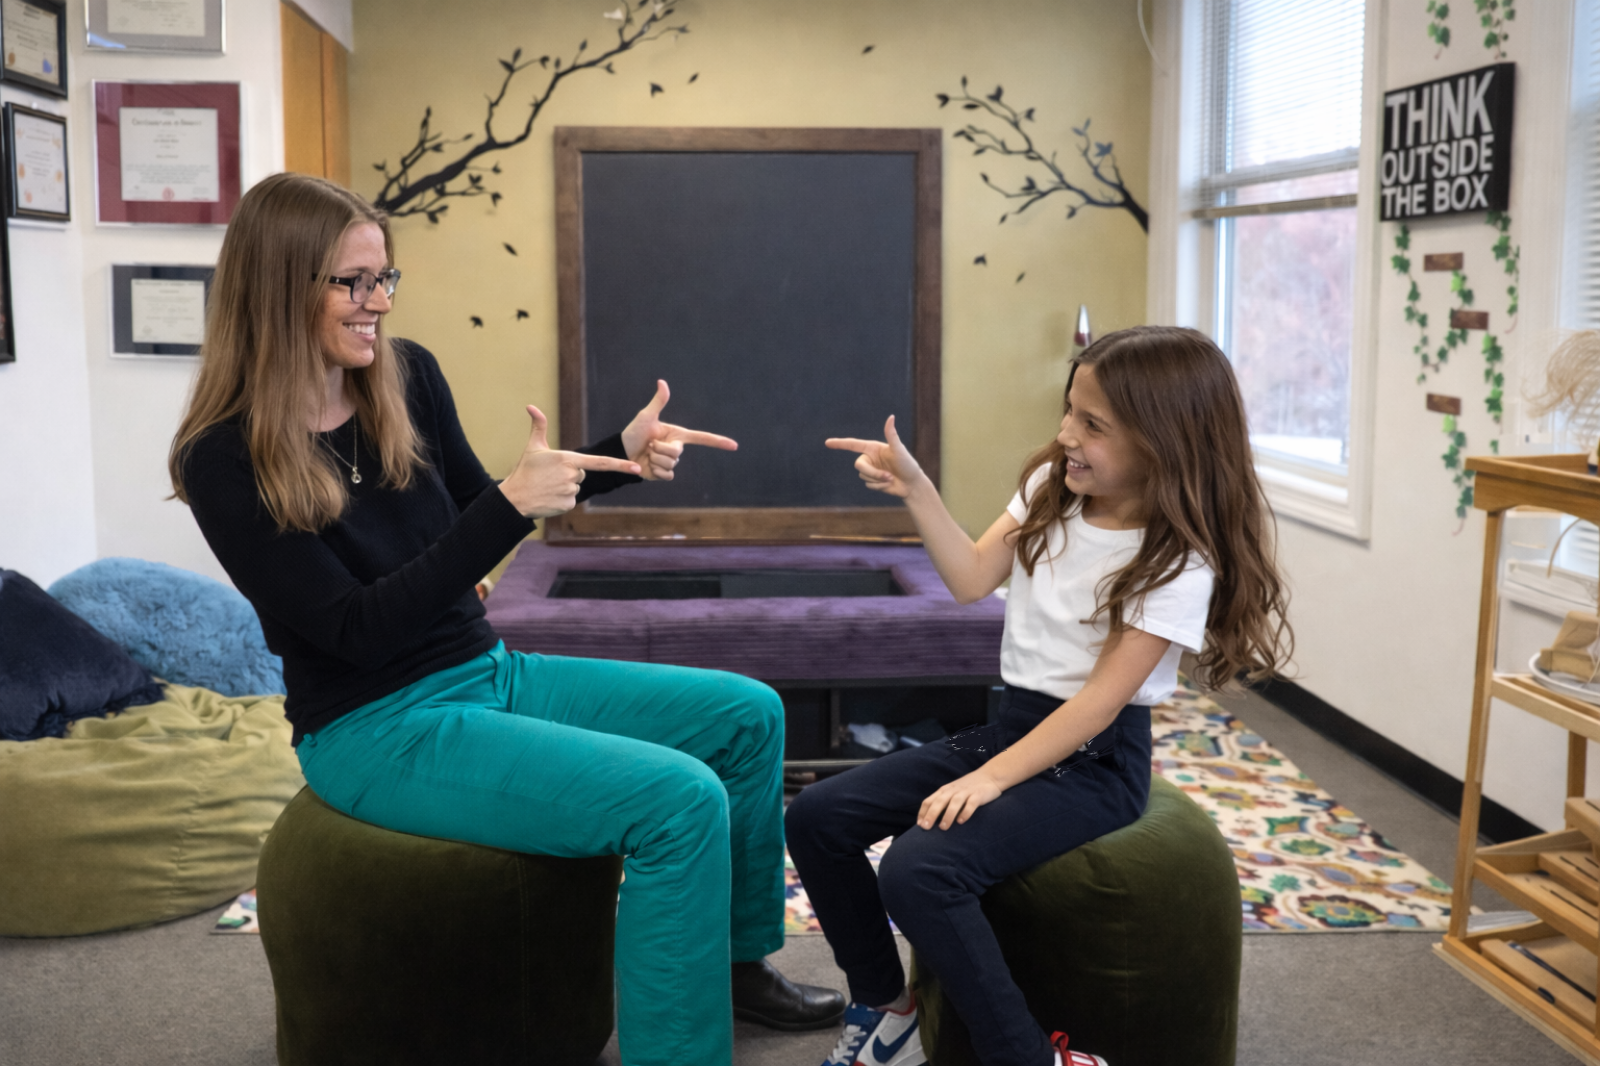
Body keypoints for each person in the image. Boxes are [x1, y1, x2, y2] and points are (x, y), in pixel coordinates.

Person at [167, 172, 843, 1066]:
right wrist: (508, 510)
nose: (377, 304)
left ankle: (731, 965)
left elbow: (475, 513)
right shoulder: (221, 457)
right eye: (353, 282)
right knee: (677, 801)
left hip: (485, 674)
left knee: (747, 714)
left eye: (385, 279)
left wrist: (615, 459)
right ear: (279, 284)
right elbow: (354, 629)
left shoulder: (403, 375)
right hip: (375, 726)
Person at [788, 326, 1293, 1066]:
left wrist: (988, 778)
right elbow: (968, 579)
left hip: (1098, 762)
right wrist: (918, 491)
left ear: (1164, 441)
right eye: (1069, 411)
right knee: (818, 817)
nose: (1065, 434)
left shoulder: (1178, 559)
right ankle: (889, 1011)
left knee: (917, 869)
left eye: (1093, 424)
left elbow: (1099, 703)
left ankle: (1031, 1058)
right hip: (1015, 725)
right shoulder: (1050, 488)